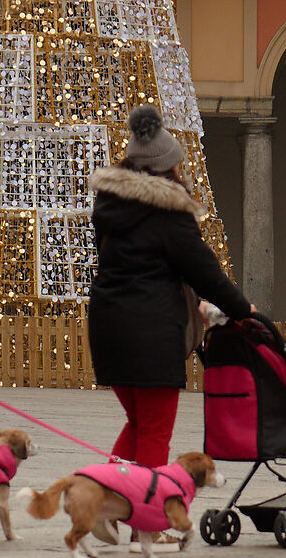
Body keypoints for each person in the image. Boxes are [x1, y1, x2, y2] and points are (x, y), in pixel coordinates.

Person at [86, 106, 253, 469]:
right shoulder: (169, 213)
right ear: (165, 168)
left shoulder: (110, 206)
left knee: (139, 423)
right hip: (151, 331)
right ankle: (148, 519)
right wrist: (244, 310)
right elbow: (204, 270)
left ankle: (109, 500)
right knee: (155, 432)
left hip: (108, 326)